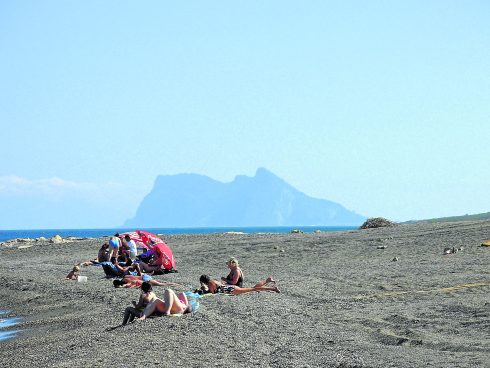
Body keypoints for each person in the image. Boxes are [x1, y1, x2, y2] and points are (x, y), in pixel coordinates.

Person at [199, 275, 279, 295]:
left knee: (254, 289)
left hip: (231, 290)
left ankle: (273, 288)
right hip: (231, 288)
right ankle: (268, 280)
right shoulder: (214, 280)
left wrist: (204, 288)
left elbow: (213, 292)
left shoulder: (210, 284)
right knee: (253, 288)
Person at [113, 275, 181, 288]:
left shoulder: (125, 280)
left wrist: (122, 286)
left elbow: (130, 283)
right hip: (144, 276)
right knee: (160, 283)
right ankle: (175, 284)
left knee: (161, 284)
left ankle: (176, 284)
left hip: (144, 279)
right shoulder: (125, 276)